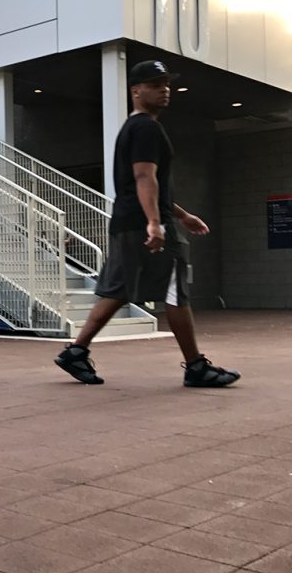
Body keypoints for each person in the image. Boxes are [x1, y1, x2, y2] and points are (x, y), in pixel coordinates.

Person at [55, 59, 240, 388]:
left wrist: (181, 215)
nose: (164, 90)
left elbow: (145, 181)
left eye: (166, 84)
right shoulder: (145, 128)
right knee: (174, 292)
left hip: (130, 220)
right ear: (136, 91)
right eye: (156, 85)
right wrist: (156, 223)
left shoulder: (135, 127)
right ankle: (195, 366)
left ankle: (76, 351)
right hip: (145, 224)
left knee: (118, 290)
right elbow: (144, 176)